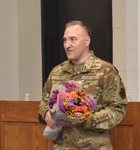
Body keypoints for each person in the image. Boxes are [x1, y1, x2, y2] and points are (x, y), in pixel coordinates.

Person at [38, 20, 128, 150]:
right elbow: (44, 102)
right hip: (62, 147)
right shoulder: (57, 72)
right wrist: (46, 112)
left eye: (73, 39)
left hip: (94, 146)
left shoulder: (105, 71)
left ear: (87, 41)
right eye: (65, 40)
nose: (67, 45)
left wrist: (87, 120)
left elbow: (117, 110)